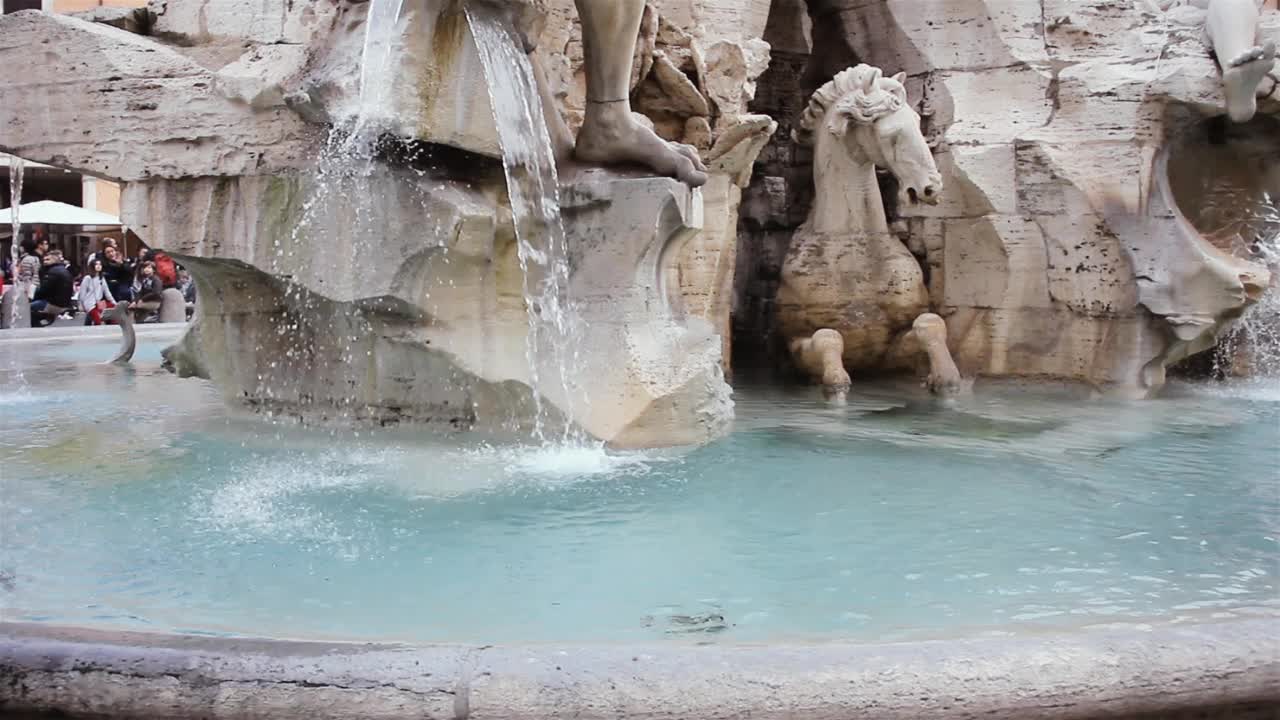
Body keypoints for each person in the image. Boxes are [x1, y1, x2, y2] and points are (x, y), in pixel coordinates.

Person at [30, 250, 74, 327]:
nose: (45, 262)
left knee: (29, 307)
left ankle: (37, 326)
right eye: (44, 260)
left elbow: (43, 290)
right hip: (64, 303)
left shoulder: (53, 272)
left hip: (54, 304)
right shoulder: (63, 270)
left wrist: (32, 296)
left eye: (48, 260)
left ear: (55, 260)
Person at [76, 258, 115, 326]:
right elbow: (82, 293)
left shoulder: (101, 278)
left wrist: (114, 302)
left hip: (99, 303)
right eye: (96, 264)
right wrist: (82, 305)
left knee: (113, 310)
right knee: (98, 320)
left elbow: (107, 292)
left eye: (100, 264)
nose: (98, 266)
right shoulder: (87, 278)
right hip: (90, 304)